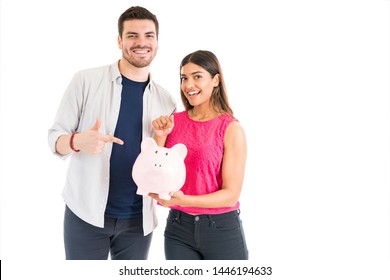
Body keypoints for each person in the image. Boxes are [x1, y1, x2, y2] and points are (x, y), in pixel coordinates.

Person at [48, 6, 176, 260]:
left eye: (149, 36)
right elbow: (54, 138)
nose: (141, 43)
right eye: (132, 36)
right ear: (119, 41)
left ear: (158, 43)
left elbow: (166, 162)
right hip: (85, 214)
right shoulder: (85, 81)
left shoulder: (167, 101)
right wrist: (76, 141)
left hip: (138, 222)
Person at [150, 50, 248, 260]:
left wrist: (186, 200)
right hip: (178, 229)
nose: (188, 85)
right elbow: (156, 174)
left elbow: (231, 194)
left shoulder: (230, 128)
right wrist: (160, 137)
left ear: (215, 80)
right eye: (184, 78)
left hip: (221, 231)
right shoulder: (173, 122)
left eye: (197, 76)